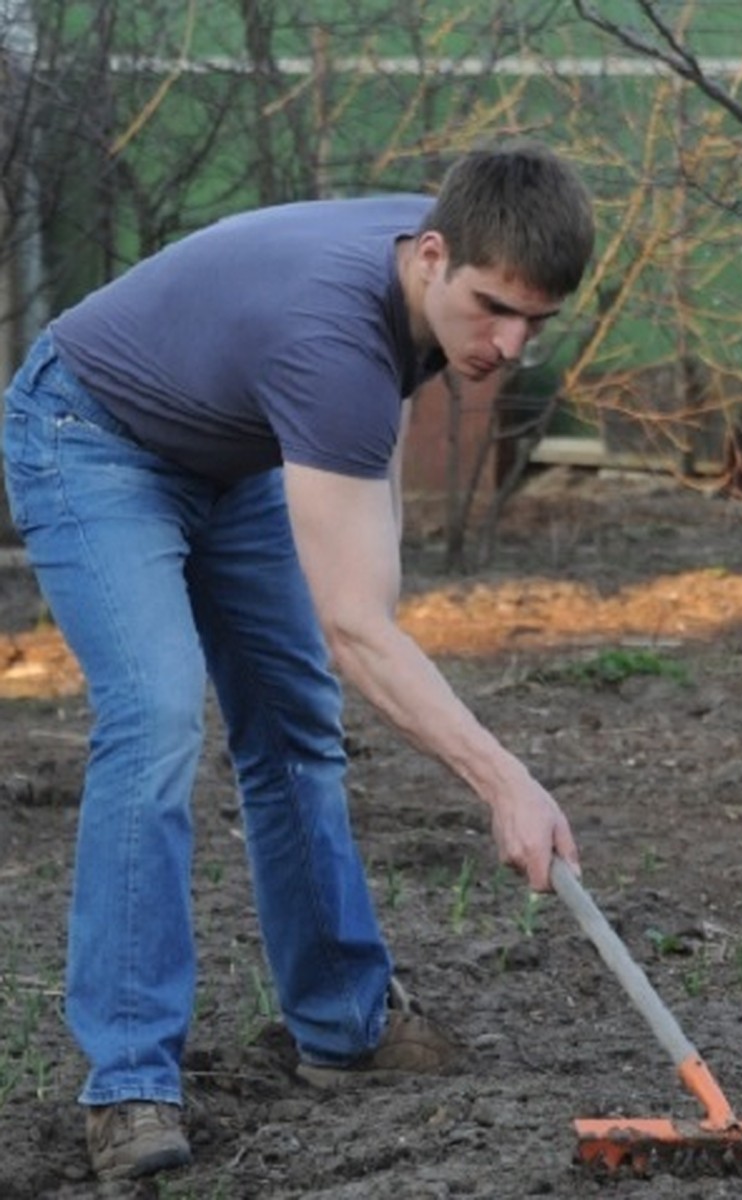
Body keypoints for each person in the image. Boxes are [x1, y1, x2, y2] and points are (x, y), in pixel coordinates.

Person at [1, 142, 592, 1183]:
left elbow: (365, 563)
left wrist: (387, 642)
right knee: (156, 716)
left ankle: (345, 1026)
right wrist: (508, 783)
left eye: (535, 322)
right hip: (88, 430)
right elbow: (356, 626)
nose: (509, 344)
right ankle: (130, 1079)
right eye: (493, 309)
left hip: (232, 452)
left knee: (295, 723)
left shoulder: (454, 245)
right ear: (431, 255)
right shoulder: (332, 339)